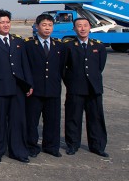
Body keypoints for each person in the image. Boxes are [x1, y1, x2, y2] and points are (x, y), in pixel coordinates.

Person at [0, 9, 33, 164]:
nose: (5, 25)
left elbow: (25, 64)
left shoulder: (18, 41)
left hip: (17, 88)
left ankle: (18, 151)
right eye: (2, 22)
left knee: (18, 121)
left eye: (7, 22)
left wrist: (29, 84)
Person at [63, 17, 108, 157]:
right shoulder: (69, 46)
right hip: (76, 88)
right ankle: (72, 145)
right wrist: (71, 83)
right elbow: (64, 69)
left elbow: (100, 67)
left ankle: (97, 146)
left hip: (93, 89)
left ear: (90, 27)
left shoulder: (98, 46)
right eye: (79, 26)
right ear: (74, 29)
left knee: (96, 118)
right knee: (73, 118)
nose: (82, 28)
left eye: (85, 26)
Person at [24, 14, 65, 158]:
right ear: (37, 27)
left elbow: (61, 67)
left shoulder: (59, 45)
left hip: (53, 89)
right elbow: (25, 67)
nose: (47, 28)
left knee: (53, 120)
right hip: (34, 89)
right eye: (44, 25)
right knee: (31, 121)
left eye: (50, 25)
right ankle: (31, 146)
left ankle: (51, 146)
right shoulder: (28, 44)